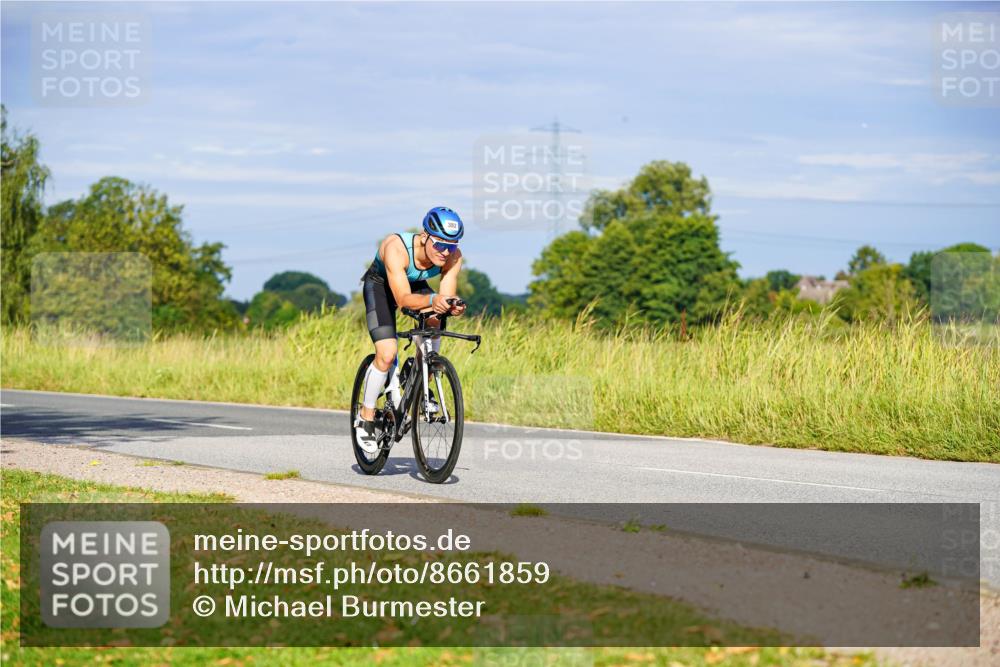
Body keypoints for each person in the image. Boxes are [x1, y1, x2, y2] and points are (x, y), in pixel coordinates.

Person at [354, 206, 467, 454]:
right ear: (425, 236)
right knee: (386, 354)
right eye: (439, 245)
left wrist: (450, 306)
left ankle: (421, 376)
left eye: (451, 245)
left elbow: (444, 298)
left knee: (436, 320)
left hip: (415, 286)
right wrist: (432, 301)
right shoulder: (396, 248)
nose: (445, 252)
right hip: (382, 288)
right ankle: (366, 416)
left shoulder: (453, 256)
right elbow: (404, 299)